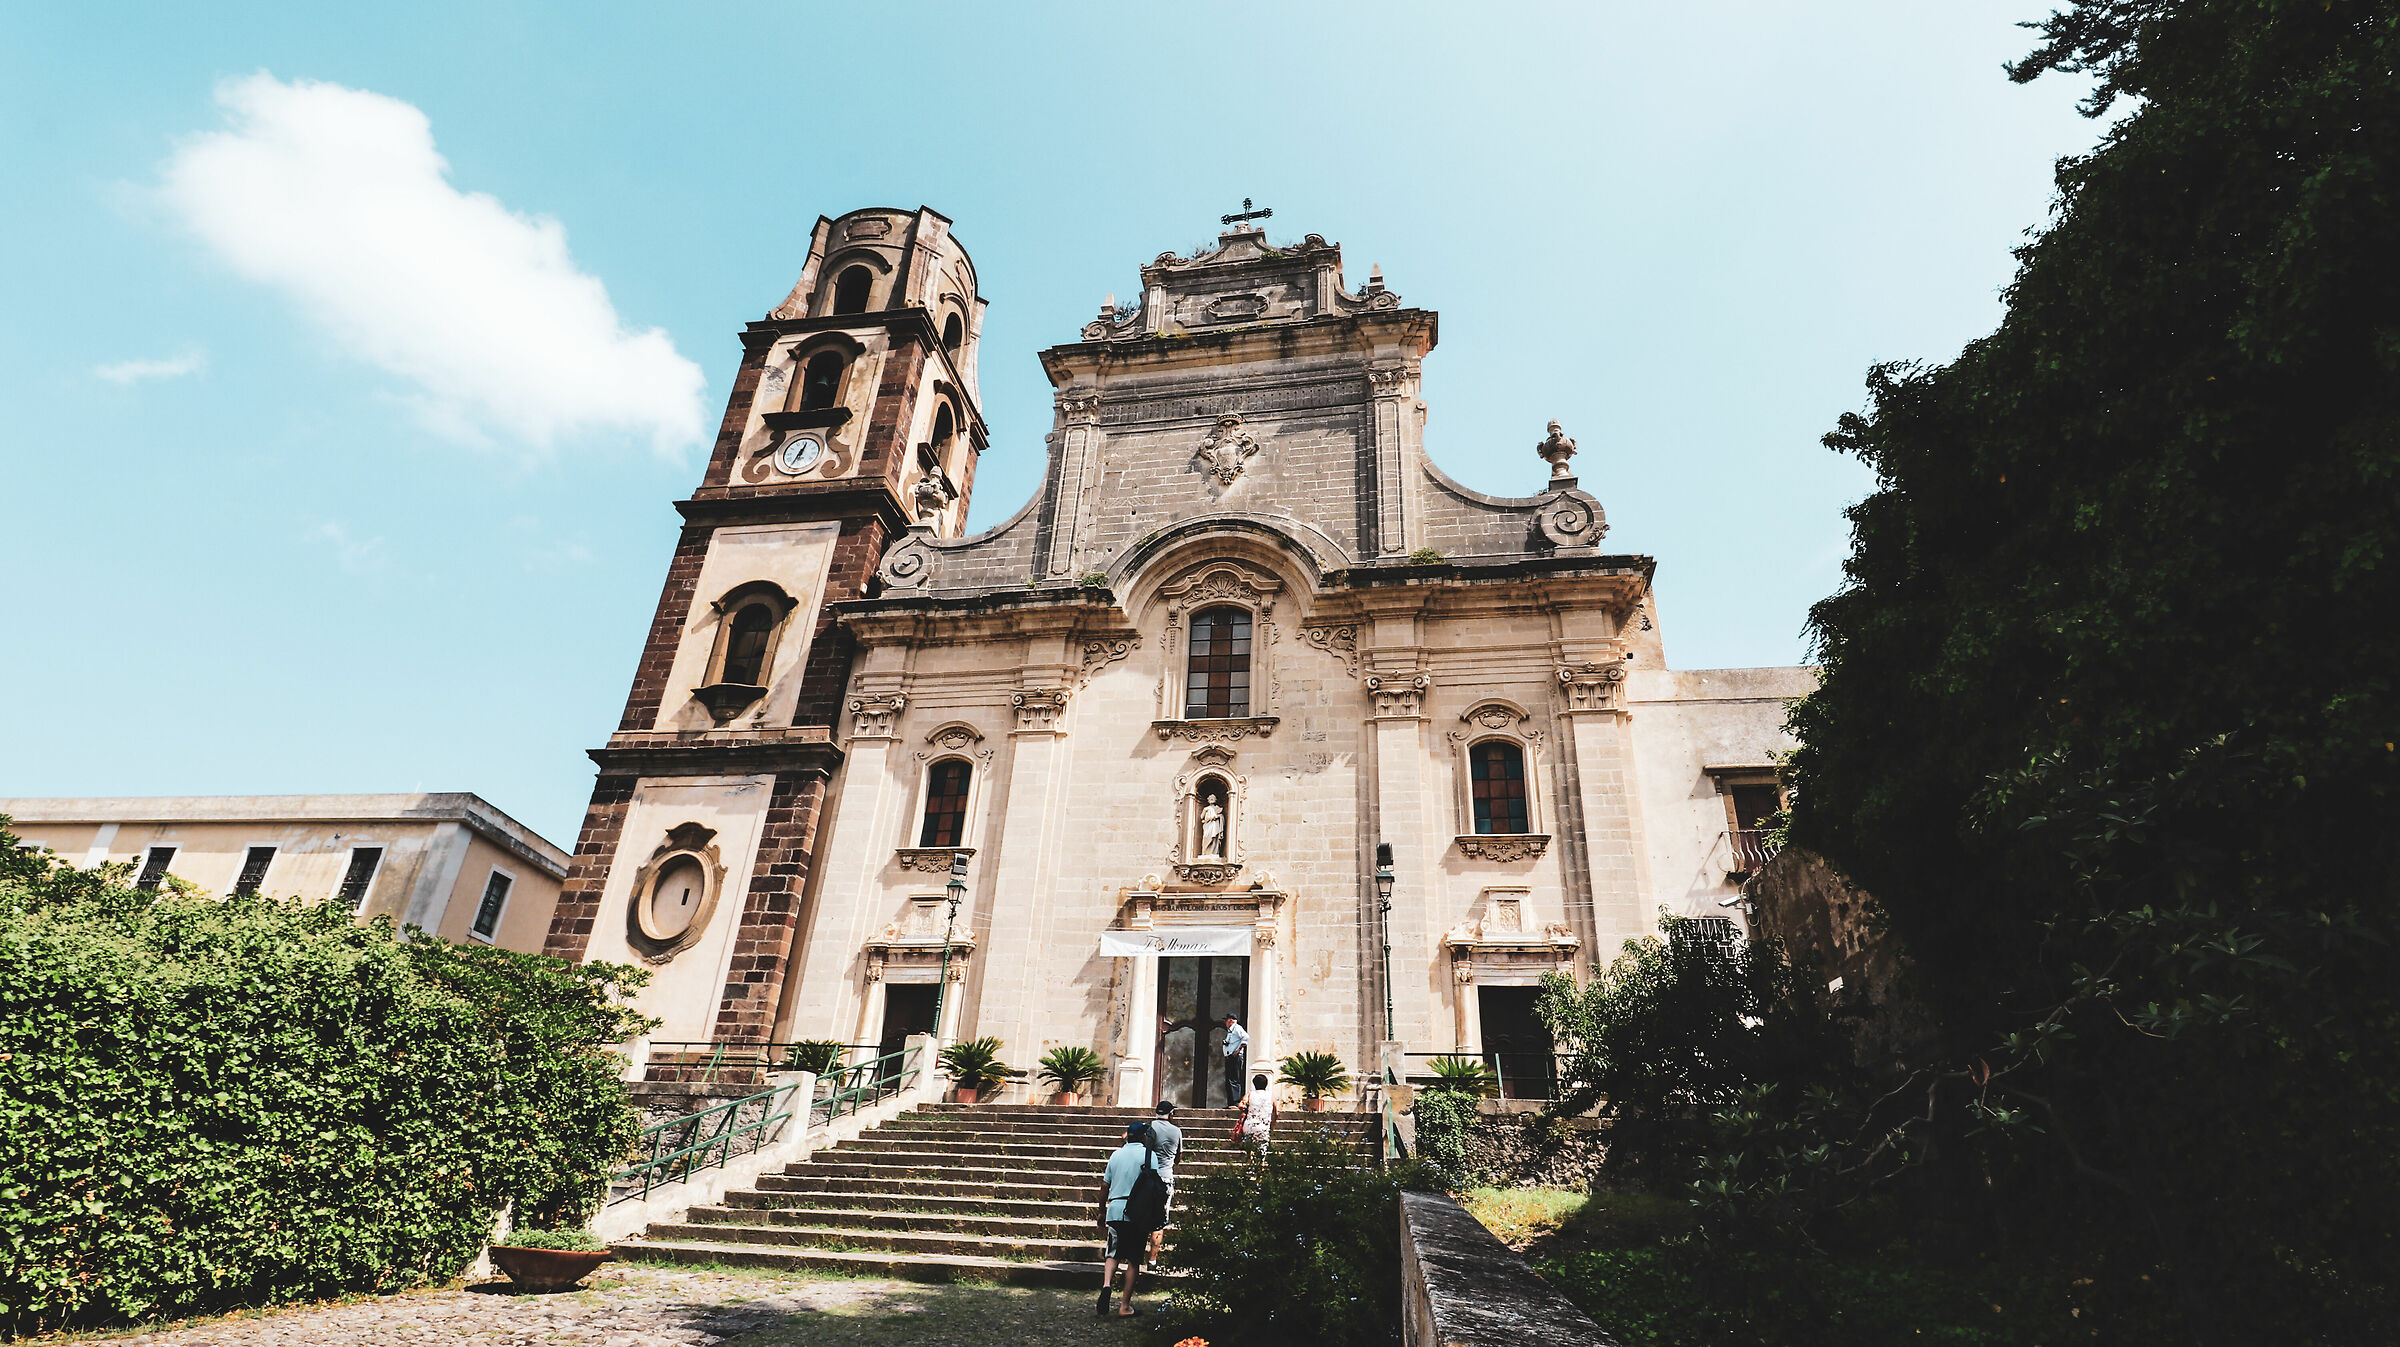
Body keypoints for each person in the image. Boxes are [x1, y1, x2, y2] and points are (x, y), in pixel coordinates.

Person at [1095, 1121, 1159, 1317]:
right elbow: (1154, 1186)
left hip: (1115, 1209)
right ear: (1142, 1137)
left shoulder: (1116, 1154)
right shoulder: (1149, 1155)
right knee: (1133, 1259)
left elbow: (1105, 1185)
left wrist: (1101, 1210)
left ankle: (1106, 1285)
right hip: (1137, 1213)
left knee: (1112, 1253)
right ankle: (1124, 1306)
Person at [1144, 1099, 1183, 1269]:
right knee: (1159, 1222)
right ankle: (1152, 1260)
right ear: (1171, 1114)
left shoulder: (1149, 1127)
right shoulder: (1177, 1131)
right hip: (1166, 1178)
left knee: (1141, 1216)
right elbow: (1178, 1158)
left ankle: (1135, 1256)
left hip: (1147, 1178)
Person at [1237, 1071, 1276, 1157]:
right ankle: (1260, 1167)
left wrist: (1244, 1108)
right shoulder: (1271, 1095)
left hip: (1249, 1126)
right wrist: (1273, 1125)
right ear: (1266, 1084)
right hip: (1263, 1126)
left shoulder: (1250, 1094)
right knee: (1262, 1151)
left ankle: (1250, 1165)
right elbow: (1277, 1112)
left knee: (1249, 1149)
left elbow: (1241, 1104)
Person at [1219, 1013, 1247, 1103]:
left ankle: (1235, 1102)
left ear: (1230, 1020)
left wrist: (1238, 1050)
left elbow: (1246, 1038)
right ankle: (1231, 1102)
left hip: (1235, 1057)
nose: (1225, 1023)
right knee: (1230, 1080)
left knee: (1234, 1080)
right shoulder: (1231, 1030)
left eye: (1226, 1020)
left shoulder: (1237, 1028)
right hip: (1230, 1057)